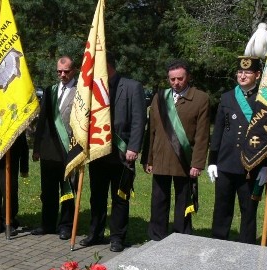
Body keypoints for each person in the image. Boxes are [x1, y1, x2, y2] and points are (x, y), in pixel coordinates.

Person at [79, 53, 147, 252]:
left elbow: (138, 120)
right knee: (97, 196)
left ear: (107, 65)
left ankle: (117, 237)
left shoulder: (132, 87)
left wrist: (134, 147)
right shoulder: (93, 88)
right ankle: (96, 233)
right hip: (98, 152)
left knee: (120, 197)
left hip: (122, 153)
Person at [145, 59, 210, 241]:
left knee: (183, 201)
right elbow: (152, 131)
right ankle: (156, 236)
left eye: (180, 78)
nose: (176, 83)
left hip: (184, 160)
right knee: (158, 200)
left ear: (187, 76)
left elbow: (202, 135)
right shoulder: (160, 97)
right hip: (160, 157)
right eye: (172, 79)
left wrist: (197, 163)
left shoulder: (200, 98)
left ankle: (182, 237)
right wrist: (148, 159)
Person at [208, 56, 267, 244]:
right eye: (240, 72)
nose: (242, 76)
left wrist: (265, 166)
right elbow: (218, 131)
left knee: (249, 209)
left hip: (251, 165)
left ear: (257, 75)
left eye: (247, 72)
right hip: (226, 162)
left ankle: (247, 246)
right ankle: (218, 242)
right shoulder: (227, 97)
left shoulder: (265, 100)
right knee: (222, 207)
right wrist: (212, 161)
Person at [32, 56, 77, 240]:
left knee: (68, 190)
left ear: (73, 71)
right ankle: (47, 224)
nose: (62, 75)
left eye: (66, 71)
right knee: (48, 190)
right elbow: (42, 120)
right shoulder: (50, 91)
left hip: (70, 148)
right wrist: (36, 147)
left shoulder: (81, 91)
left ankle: (66, 225)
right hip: (49, 149)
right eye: (59, 71)